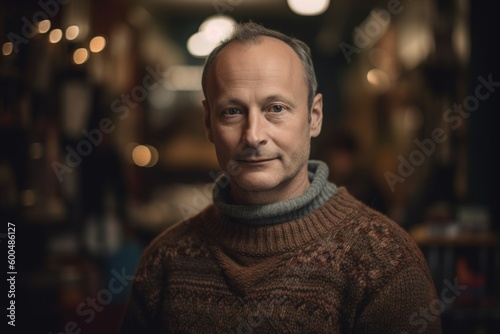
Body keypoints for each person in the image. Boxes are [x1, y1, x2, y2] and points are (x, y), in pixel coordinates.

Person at [120, 22, 441, 333]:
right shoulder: (165, 261)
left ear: (314, 117)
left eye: (275, 108)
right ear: (208, 122)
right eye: (232, 111)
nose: (253, 135)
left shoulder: (385, 264)